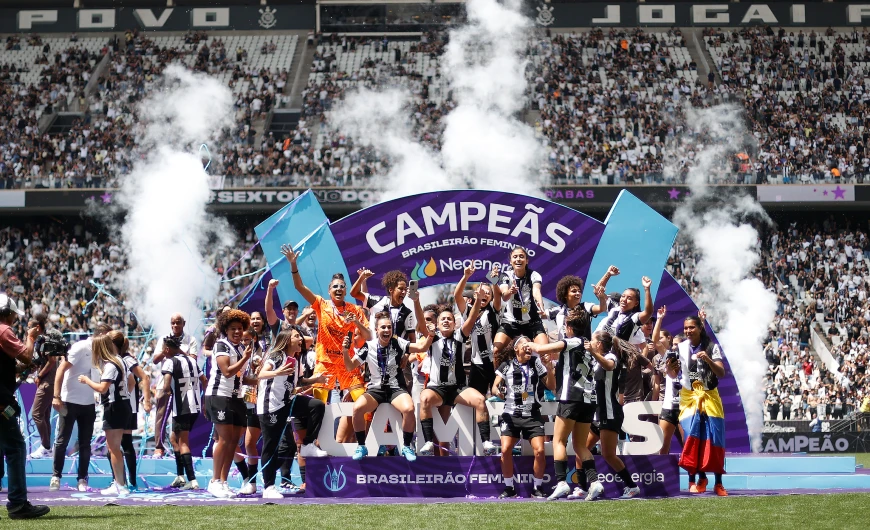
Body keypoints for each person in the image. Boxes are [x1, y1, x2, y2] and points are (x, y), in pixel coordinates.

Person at [282, 244, 371, 442]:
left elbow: (369, 335)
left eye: (342, 286)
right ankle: (316, 445)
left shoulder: (354, 310)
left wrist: (356, 321)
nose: (339, 289)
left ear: (346, 290)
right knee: (318, 406)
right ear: (329, 290)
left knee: (364, 406)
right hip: (326, 364)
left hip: (348, 365)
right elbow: (299, 287)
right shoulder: (321, 304)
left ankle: (362, 446)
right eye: (335, 286)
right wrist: (293, 265)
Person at [527, 307, 605, 501]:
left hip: (571, 397)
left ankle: (562, 483)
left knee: (559, 441)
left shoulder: (572, 341)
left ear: (569, 327)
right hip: (588, 400)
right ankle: (595, 482)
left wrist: (528, 342)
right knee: (579, 445)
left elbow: (541, 348)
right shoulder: (588, 344)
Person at [343, 313, 436, 461]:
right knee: (357, 408)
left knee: (409, 409)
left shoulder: (398, 342)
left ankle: (406, 446)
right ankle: (361, 445)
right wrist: (345, 351)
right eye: (383, 327)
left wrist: (431, 335)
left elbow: (421, 347)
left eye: (389, 327)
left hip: (395, 388)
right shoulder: (368, 346)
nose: (387, 330)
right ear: (376, 329)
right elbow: (349, 366)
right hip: (375, 389)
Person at [418, 289, 495, 456]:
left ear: (455, 323)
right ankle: (429, 442)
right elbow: (420, 321)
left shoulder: (460, 336)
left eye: (449, 319)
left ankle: (487, 442)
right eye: (443, 319)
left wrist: (478, 300)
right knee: (424, 398)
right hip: (437, 388)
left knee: (481, 400)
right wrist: (416, 300)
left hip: (457, 388)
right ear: (437, 324)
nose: (446, 321)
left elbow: (473, 316)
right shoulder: (432, 338)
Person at [257, 327, 326, 499]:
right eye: (297, 336)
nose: (301, 339)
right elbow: (261, 373)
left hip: (287, 402)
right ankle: (269, 486)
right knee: (271, 445)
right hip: (270, 407)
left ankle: (308, 445)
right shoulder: (276, 355)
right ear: (287, 339)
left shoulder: (295, 360)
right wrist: (277, 372)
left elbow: (300, 381)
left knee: (316, 406)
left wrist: (316, 380)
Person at [666, 313, 727, 496]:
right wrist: (670, 368)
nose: (688, 331)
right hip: (689, 397)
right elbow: (672, 374)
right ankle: (697, 478)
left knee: (715, 439)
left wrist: (707, 359)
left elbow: (721, 373)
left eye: (691, 327)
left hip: (709, 396)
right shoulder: (680, 348)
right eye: (685, 328)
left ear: (700, 328)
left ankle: (718, 483)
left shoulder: (711, 347)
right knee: (692, 437)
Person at [0, 294, 50, 519]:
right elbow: (27, 355)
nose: (14, 319)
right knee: (16, 448)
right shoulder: (3, 331)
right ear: (7, 313)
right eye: (13, 315)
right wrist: (31, 337)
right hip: (1, 402)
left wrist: (22, 369)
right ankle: (18, 503)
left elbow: (8, 367)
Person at [492, 335, 555, 499]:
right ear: (516, 349)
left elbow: (552, 385)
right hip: (511, 415)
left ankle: (537, 488)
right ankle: (509, 488)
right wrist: (497, 390)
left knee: (540, 451)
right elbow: (494, 386)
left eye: (530, 345)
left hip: (533, 415)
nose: (529, 347)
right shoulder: (506, 366)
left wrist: (549, 368)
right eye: (525, 344)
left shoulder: (536, 364)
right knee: (505, 450)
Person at [51, 323, 112, 491]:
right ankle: (56, 476)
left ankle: (82, 479)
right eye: (108, 337)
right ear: (101, 335)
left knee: (85, 443)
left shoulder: (103, 353)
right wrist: (56, 396)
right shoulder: (80, 347)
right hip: (69, 400)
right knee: (62, 440)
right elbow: (61, 370)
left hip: (89, 403)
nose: (110, 341)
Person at [204, 309, 254, 498]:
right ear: (226, 329)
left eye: (240, 328)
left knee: (233, 441)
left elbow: (242, 377)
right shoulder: (221, 345)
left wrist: (262, 379)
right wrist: (245, 359)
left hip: (236, 397)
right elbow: (226, 371)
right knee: (224, 439)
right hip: (219, 395)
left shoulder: (241, 348)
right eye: (233, 328)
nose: (237, 332)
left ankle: (223, 482)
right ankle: (214, 480)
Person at [589, 330, 641, 499]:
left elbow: (609, 366)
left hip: (610, 413)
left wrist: (592, 353)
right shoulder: (596, 361)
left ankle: (632, 486)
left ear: (598, 344)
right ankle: (584, 486)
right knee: (582, 448)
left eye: (592, 341)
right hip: (598, 414)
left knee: (608, 454)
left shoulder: (611, 357)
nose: (589, 343)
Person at [78, 335, 132, 496]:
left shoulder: (111, 365)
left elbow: (102, 388)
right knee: (115, 447)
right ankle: (120, 483)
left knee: (113, 448)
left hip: (115, 408)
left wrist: (86, 380)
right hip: (123, 405)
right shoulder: (120, 360)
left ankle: (120, 485)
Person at [159, 335, 207, 491]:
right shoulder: (192, 361)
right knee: (174, 438)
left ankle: (192, 480)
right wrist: (204, 401)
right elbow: (204, 380)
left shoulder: (170, 362)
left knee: (183, 442)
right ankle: (180, 476)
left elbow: (166, 386)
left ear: (167, 349)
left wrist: (167, 392)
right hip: (195, 407)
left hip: (182, 407)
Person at [151, 314, 199, 458]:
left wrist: (178, 350)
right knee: (161, 415)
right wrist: (166, 351)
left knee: (182, 416)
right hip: (165, 383)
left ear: (184, 323)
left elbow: (194, 360)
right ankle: (159, 448)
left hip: (183, 385)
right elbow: (155, 360)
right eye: (173, 323)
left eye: (178, 322)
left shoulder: (191, 340)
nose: (176, 325)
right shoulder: (164, 339)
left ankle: (180, 446)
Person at [109, 331, 152, 491]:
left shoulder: (126, 359)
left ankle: (122, 481)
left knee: (117, 445)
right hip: (127, 406)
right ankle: (126, 481)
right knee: (122, 444)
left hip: (125, 406)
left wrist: (146, 401)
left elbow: (141, 378)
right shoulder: (123, 359)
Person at [453, 264, 502, 398]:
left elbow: (498, 295)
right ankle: (480, 420)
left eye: (488, 293)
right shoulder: (468, 310)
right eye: (482, 291)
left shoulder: (493, 309)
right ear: (475, 294)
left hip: (494, 362)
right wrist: (466, 276)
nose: (485, 294)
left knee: (498, 397)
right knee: (476, 400)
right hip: (477, 363)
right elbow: (457, 295)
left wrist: (494, 281)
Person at [493, 247, 549, 359]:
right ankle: (498, 376)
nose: (518, 259)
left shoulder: (534, 275)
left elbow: (536, 291)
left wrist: (541, 306)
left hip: (532, 322)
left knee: (546, 353)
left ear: (527, 261)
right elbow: (504, 296)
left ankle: (543, 375)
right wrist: (510, 291)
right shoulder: (505, 275)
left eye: (521, 256)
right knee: (495, 351)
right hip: (511, 322)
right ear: (510, 261)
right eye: (515, 257)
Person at [650, 308, 683, 455]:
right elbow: (656, 342)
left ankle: (694, 477)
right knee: (662, 447)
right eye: (674, 344)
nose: (675, 347)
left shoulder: (692, 359)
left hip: (686, 407)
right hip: (669, 406)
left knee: (687, 446)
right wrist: (659, 319)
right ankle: (661, 477)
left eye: (679, 344)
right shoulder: (670, 356)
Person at [547, 270, 611, 340]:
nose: (578, 293)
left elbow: (602, 308)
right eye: (574, 291)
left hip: (584, 349)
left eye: (579, 291)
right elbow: (539, 315)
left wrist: (601, 297)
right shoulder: (558, 310)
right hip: (565, 349)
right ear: (565, 294)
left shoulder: (586, 307)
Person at [28, 313, 55, 459]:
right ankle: (47, 449)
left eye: (29, 328)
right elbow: (42, 361)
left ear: (37, 327)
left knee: (36, 414)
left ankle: (45, 446)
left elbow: (51, 362)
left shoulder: (46, 340)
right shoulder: (41, 340)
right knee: (44, 415)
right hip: (47, 382)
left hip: (48, 382)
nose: (27, 331)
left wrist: (39, 375)